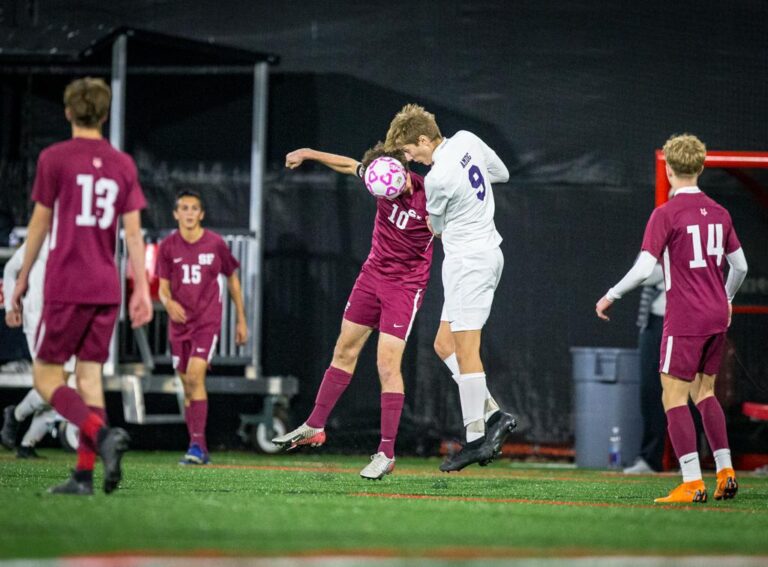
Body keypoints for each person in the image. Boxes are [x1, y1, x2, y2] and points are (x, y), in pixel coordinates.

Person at [11, 77, 153, 495]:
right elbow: (133, 235)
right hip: (106, 287)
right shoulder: (122, 163)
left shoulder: (54, 158)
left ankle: (101, 434)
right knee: (90, 379)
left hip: (67, 282)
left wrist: (21, 279)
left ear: (68, 112)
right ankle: (84, 475)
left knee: (46, 377)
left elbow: (39, 225)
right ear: (105, 114)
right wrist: (141, 289)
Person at [596, 134, 748, 503]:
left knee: (673, 397)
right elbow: (740, 266)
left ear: (668, 166)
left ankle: (692, 480)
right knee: (705, 392)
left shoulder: (665, 213)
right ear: (700, 166)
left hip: (686, 316)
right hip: (715, 315)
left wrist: (611, 294)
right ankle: (725, 472)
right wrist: (726, 297)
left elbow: (645, 266)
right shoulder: (719, 212)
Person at [384, 104, 517, 472]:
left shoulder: (439, 177)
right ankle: (493, 415)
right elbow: (501, 173)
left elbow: (436, 228)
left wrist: (444, 211)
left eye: (411, 151)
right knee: (444, 344)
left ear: (424, 139)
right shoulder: (468, 139)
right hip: (477, 256)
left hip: (470, 261)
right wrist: (471, 200)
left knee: (466, 346)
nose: (411, 159)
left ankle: (475, 440)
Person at [157, 190, 248, 465]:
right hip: (179, 324)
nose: (188, 213)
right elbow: (162, 288)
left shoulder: (215, 244)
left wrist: (241, 319)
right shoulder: (168, 247)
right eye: (183, 208)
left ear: (201, 214)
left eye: (194, 208)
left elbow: (232, 280)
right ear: (176, 213)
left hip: (206, 322)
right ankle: (199, 446)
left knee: (196, 377)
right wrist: (168, 302)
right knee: (187, 385)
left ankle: (196, 446)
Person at [2, 236, 77, 459]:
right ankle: (15, 417)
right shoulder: (42, 239)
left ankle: (25, 439)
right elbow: (9, 269)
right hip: (38, 321)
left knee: (67, 386)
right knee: (52, 385)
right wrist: (9, 307)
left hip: (69, 322)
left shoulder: (82, 242)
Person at [623, 265, 667, 474]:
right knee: (650, 391)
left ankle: (693, 458)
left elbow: (644, 273)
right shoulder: (656, 234)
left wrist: (612, 295)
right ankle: (650, 458)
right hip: (654, 321)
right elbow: (641, 271)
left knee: (692, 393)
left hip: (687, 319)